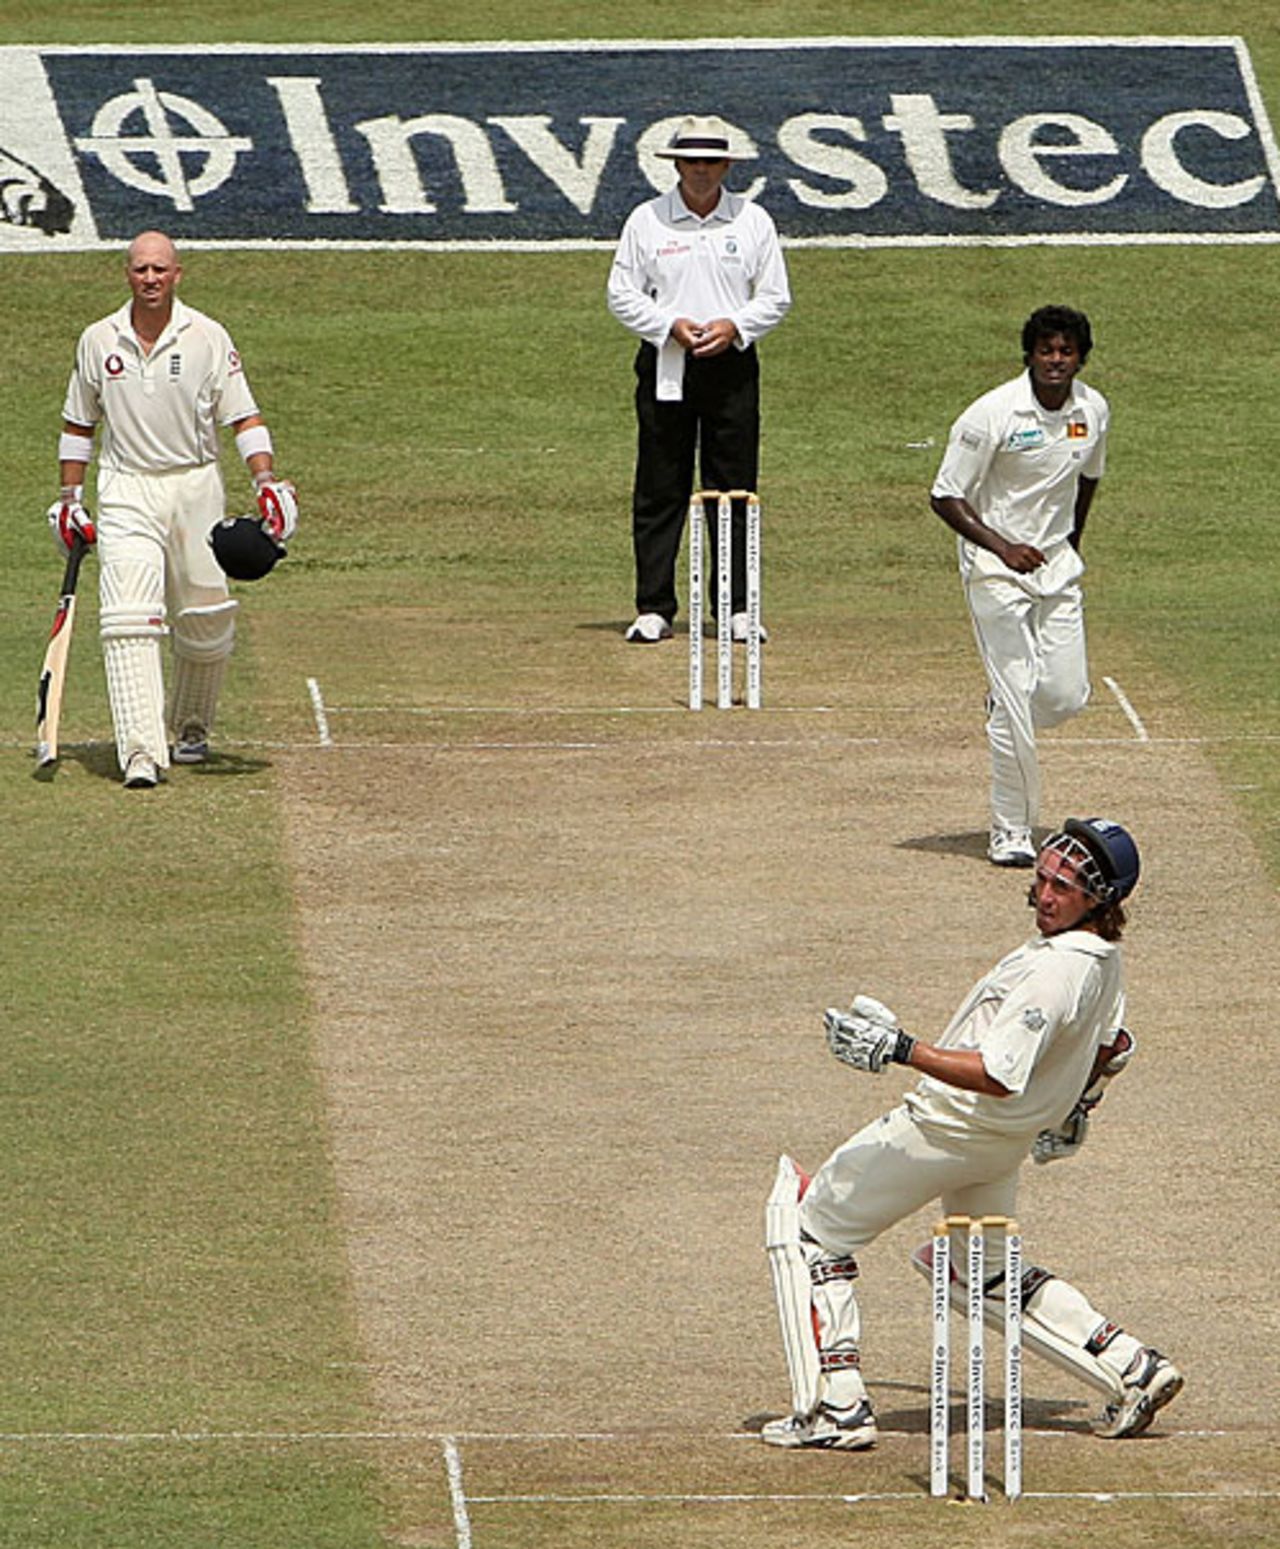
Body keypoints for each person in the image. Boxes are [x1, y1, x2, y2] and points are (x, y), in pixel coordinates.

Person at [762, 817, 1183, 1451]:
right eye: (1042, 879)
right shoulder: (1103, 962)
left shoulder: (1055, 973)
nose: (1044, 896)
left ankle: (836, 1407)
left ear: (1100, 898)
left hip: (947, 1127)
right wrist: (1074, 1109)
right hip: (997, 1145)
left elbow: (997, 1073)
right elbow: (1112, 1047)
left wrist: (900, 1048)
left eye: (1063, 888)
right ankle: (1131, 1365)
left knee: (806, 1231)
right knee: (976, 1274)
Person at [50, 229, 297, 788]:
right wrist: (69, 500)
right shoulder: (98, 339)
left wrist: (265, 481)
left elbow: (244, 418)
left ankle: (189, 727)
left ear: (177, 274)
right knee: (127, 615)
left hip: (195, 486)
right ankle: (140, 751)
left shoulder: (207, 337)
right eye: (141, 269)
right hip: (125, 488)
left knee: (205, 619)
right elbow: (78, 425)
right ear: (128, 275)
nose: (151, 278)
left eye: (160, 269)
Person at [930, 306, 1108, 867]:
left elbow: (1088, 477)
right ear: (1029, 354)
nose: (1056, 361)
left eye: (1066, 351)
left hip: (1055, 565)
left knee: (1063, 696)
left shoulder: (1093, 409)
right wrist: (1000, 546)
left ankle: (1005, 706)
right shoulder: (992, 413)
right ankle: (1012, 829)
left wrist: (1071, 541)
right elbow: (945, 495)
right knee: (1014, 699)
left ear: (1081, 356)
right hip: (994, 569)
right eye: (1046, 350)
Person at [607, 115, 791, 643]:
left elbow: (775, 296)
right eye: (692, 162)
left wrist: (735, 325)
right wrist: (669, 326)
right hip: (667, 363)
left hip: (731, 366)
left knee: (732, 487)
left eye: (712, 161)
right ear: (677, 165)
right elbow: (621, 294)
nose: (702, 171)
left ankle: (734, 609)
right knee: (661, 485)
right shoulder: (648, 220)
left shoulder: (752, 221)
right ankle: (655, 607)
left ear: (728, 165)